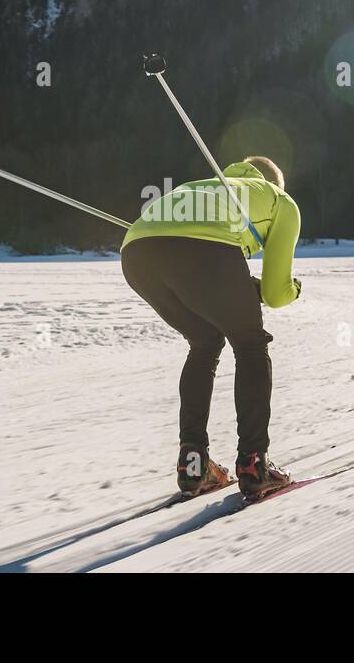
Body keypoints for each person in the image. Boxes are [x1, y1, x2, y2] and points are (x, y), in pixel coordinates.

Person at [120, 155, 302, 501]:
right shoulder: (280, 201)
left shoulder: (205, 189)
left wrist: (240, 286)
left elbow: (210, 275)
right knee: (249, 344)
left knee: (204, 341)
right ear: (273, 184)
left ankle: (194, 464)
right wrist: (292, 289)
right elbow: (277, 294)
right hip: (205, 248)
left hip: (137, 253)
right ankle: (254, 464)